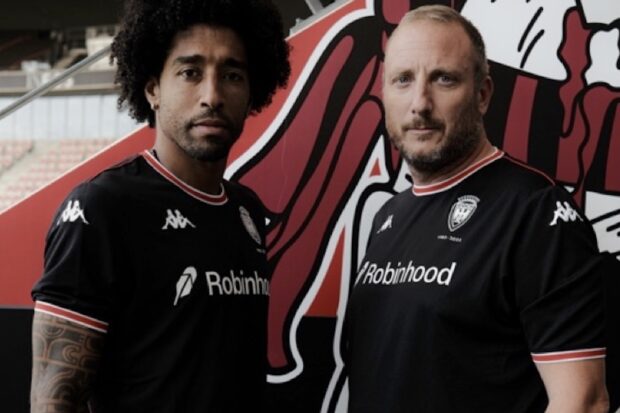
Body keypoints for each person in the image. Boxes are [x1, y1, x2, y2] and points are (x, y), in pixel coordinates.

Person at [344, 5, 611, 413]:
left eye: (444, 79)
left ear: (482, 94)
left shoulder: (536, 213)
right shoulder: (388, 216)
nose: (419, 103)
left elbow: (584, 401)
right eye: (403, 80)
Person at [29, 0, 290, 411]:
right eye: (190, 73)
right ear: (152, 89)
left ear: (250, 91)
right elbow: (53, 401)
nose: (212, 95)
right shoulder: (101, 208)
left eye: (232, 75)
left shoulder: (247, 210)